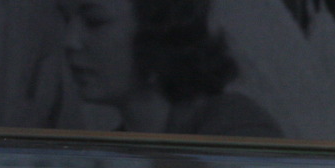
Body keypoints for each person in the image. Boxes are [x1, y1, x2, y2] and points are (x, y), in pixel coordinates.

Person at [59, 0, 281, 136]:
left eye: (94, 21)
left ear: (160, 30)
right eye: (67, 19)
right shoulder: (111, 155)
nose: (70, 40)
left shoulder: (235, 127)